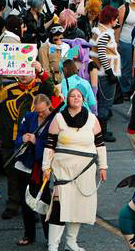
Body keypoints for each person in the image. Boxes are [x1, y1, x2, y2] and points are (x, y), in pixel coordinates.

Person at [0, 59, 54, 220]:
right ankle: (13, 205)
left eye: (27, 72)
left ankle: (35, 205)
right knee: (12, 173)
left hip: (33, 142)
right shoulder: (7, 90)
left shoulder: (40, 89)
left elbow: (50, 88)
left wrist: (41, 70)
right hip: (11, 140)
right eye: (21, 72)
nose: (23, 75)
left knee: (34, 174)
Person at [42, 88, 108, 251]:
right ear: (68, 100)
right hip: (63, 168)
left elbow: (100, 145)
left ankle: (71, 242)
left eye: (79, 96)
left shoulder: (92, 119)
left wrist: (103, 166)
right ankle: (53, 246)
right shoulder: (58, 118)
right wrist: (46, 167)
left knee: (78, 206)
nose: (76, 98)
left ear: (83, 99)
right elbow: (49, 145)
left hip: (85, 169)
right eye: (73, 96)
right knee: (59, 206)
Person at [13, 94, 53, 247]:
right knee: (26, 202)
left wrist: (37, 141)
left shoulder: (54, 121)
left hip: (42, 166)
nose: (40, 114)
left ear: (49, 105)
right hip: (24, 164)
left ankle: (50, 237)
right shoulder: (29, 117)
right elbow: (18, 136)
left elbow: (54, 144)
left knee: (45, 201)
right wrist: (23, 138)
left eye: (43, 111)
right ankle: (29, 235)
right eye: (38, 111)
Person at [91, 5, 120, 142]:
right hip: (104, 74)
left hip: (100, 73)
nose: (117, 21)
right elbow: (102, 52)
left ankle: (100, 131)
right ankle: (102, 132)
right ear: (111, 19)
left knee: (101, 103)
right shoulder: (106, 33)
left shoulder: (99, 30)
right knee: (105, 103)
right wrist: (110, 73)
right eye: (116, 19)